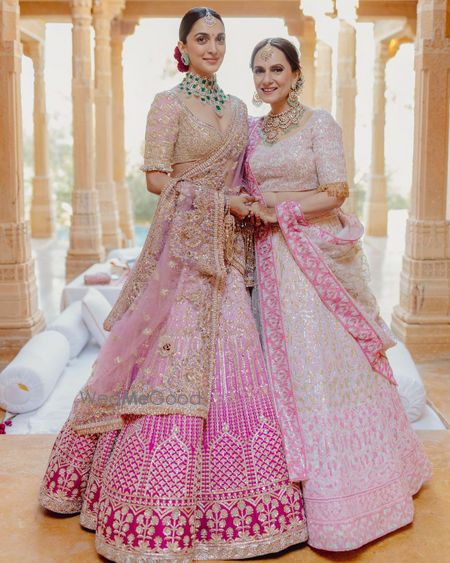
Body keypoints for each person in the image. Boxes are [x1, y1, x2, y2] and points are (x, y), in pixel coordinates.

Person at [39, 14, 308, 562]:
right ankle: (150, 506)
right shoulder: (168, 104)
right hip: (181, 258)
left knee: (237, 362)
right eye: (202, 39)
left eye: (220, 39)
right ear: (182, 47)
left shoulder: (238, 109)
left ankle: (247, 507)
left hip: (227, 256)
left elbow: (249, 177)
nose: (213, 47)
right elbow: (156, 178)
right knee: (169, 365)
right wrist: (217, 202)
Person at [244, 37, 432, 552]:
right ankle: (287, 500)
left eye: (277, 68)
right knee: (277, 374)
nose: (267, 79)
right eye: (259, 70)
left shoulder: (319, 124)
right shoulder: (251, 131)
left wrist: (276, 205)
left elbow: (335, 191)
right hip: (266, 262)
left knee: (322, 371)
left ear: (296, 73)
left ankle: (351, 495)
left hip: (311, 264)